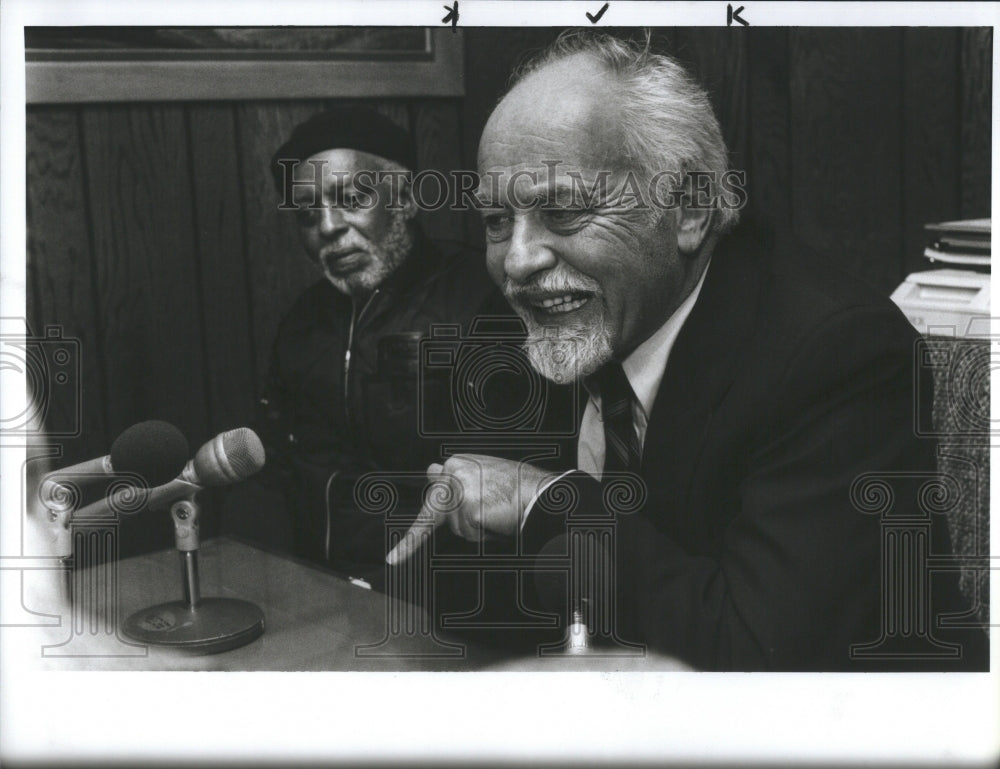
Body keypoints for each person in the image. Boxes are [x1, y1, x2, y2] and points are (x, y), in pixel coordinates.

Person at [386, 33, 988, 671]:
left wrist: (547, 502)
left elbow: (757, 658)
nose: (517, 261)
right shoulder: (523, 326)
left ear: (690, 208)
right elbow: (468, 601)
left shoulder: (835, 356)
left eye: (562, 209)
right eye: (495, 221)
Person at [229, 108, 504, 580]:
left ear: (406, 199)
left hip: (447, 602)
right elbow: (275, 470)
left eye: (352, 198)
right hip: (324, 592)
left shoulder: (481, 298)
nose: (328, 227)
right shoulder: (303, 322)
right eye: (307, 213)